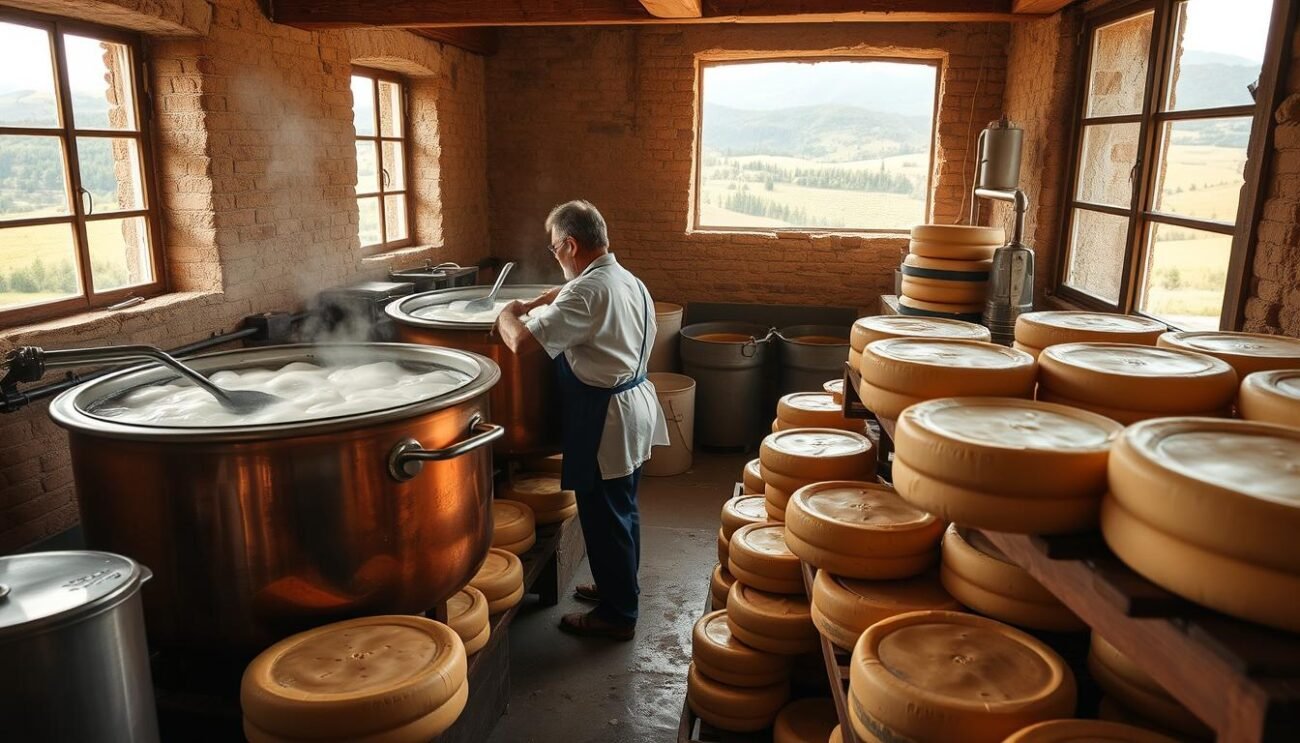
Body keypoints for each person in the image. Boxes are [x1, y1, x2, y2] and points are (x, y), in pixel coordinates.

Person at [495, 200, 669, 641]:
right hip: (634, 405)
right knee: (623, 510)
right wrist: (542, 298)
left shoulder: (587, 292)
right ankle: (619, 588)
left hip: (604, 418)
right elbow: (576, 299)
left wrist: (505, 313)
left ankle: (617, 616)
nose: (555, 258)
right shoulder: (625, 278)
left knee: (604, 517)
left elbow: (519, 342)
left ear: (570, 244)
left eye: (555, 249)